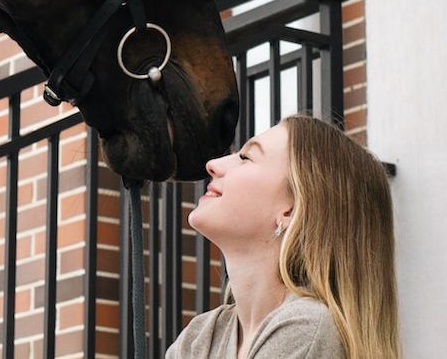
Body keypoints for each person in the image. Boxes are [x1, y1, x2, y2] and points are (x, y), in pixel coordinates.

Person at [166, 114, 400, 358]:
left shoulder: (306, 327)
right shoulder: (202, 335)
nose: (213, 164)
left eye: (246, 157)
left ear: (291, 209)